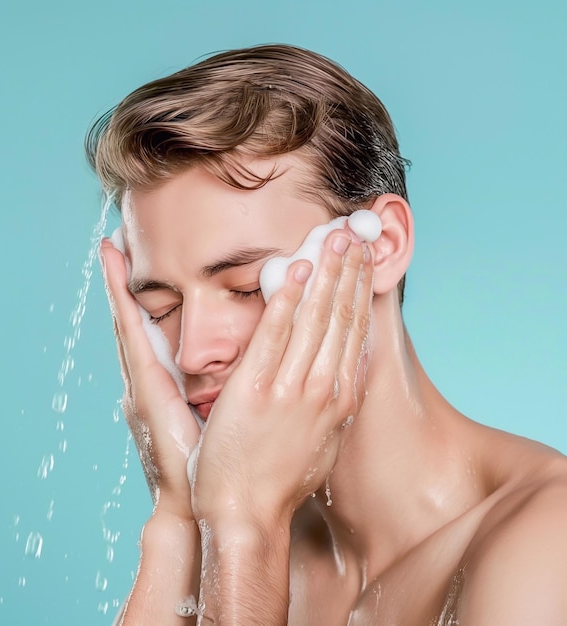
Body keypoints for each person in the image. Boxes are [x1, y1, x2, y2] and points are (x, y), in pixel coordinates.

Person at [87, 44, 567, 625]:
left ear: (381, 246)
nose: (193, 352)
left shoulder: (547, 545)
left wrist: (245, 527)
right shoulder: (233, 530)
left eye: (244, 287)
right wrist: (178, 517)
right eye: (161, 308)